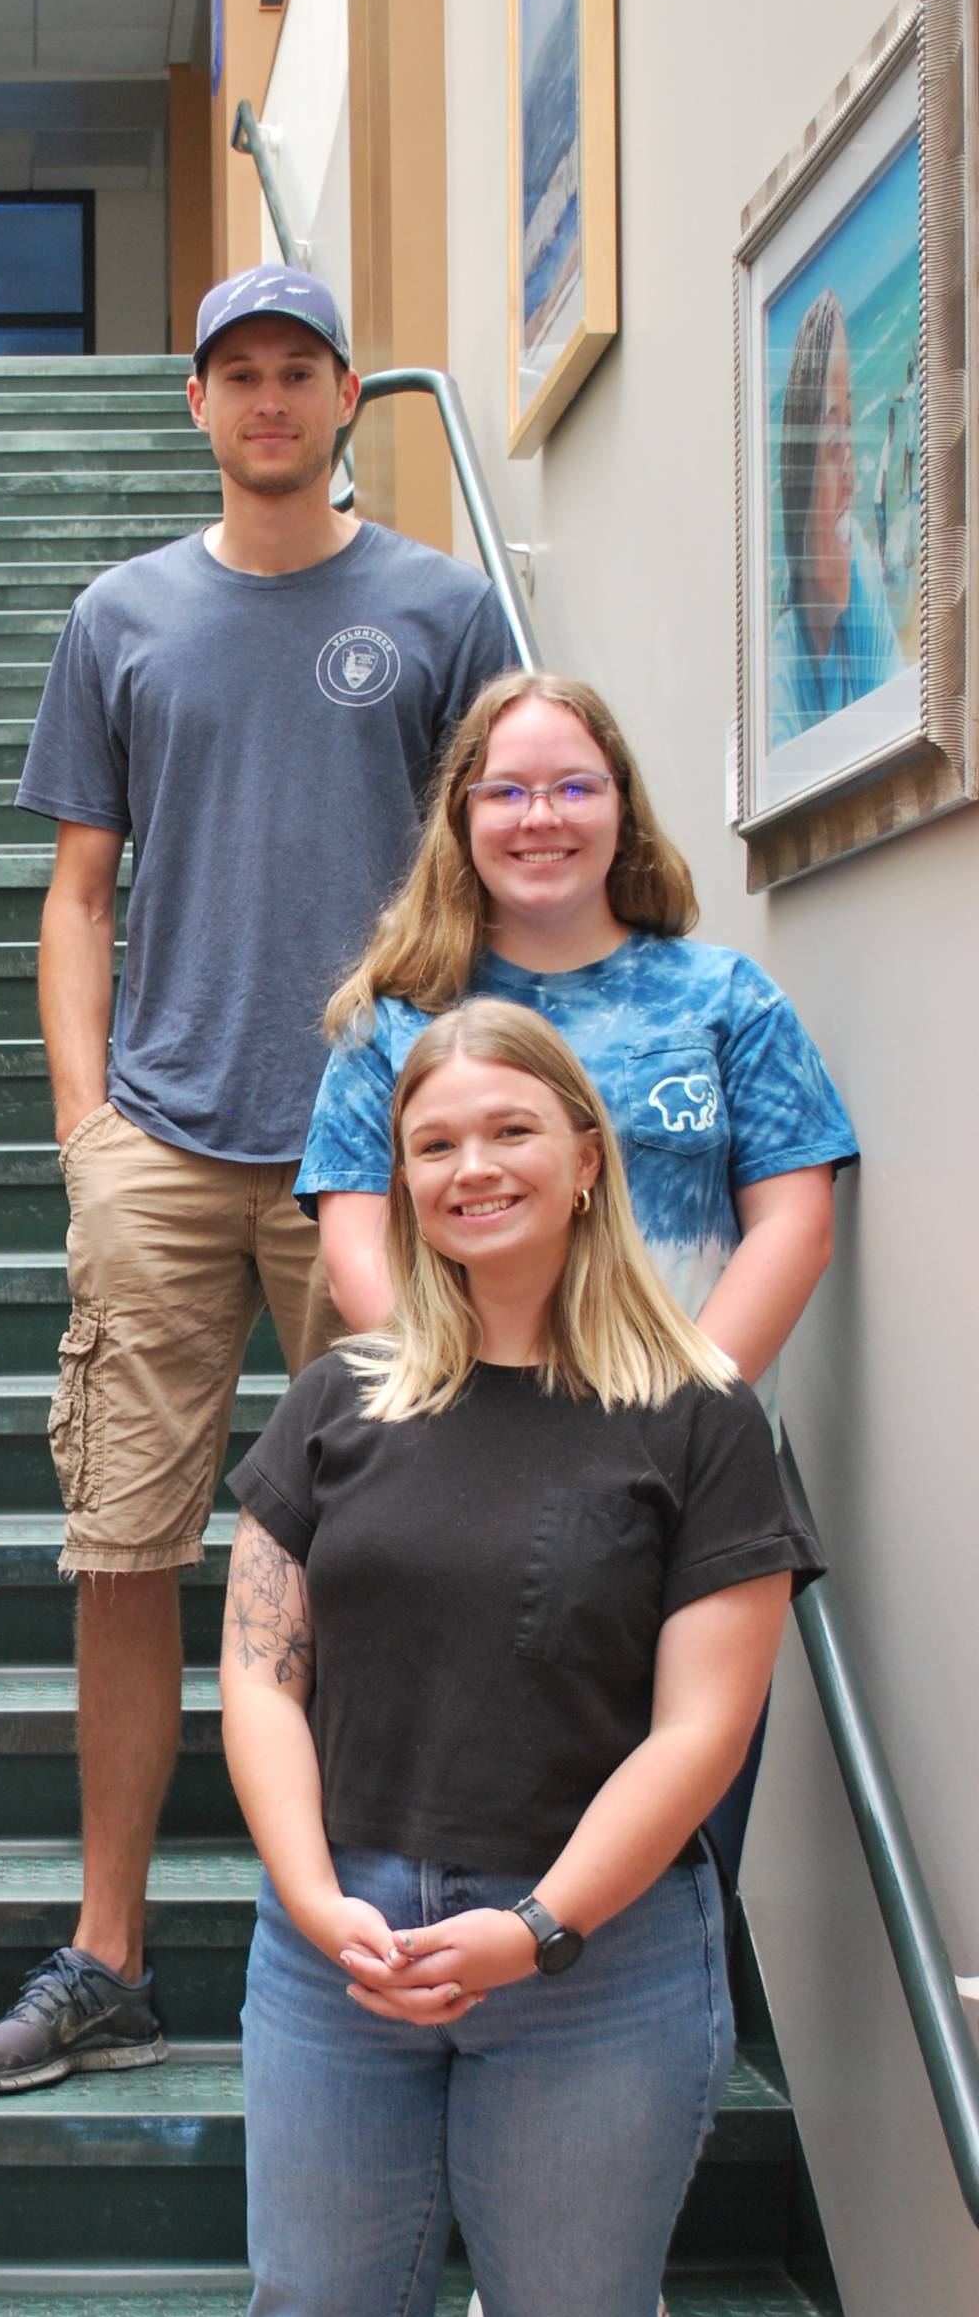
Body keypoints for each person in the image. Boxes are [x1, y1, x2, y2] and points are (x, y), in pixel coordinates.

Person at [192, 998, 819, 2317]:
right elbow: (256, 1671)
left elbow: (703, 1731)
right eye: (436, 1144)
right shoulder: (337, 1398)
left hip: (595, 1968)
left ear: (585, 1156)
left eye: (507, 1134)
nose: (471, 1169)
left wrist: (540, 1925)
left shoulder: (700, 1414)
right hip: (342, 1949)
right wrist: (315, 1898)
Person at [0, 264, 522, 2095]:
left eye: (299, 370)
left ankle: (384, 1920)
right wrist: (83, 1126)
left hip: (380, 1154)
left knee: (402, 1541)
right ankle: (112, 1954)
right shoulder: (126, 615)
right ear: (197, 404)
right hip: (169, 1143)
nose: (268, 400)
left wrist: (469, 1110)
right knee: (126, 1551)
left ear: (350, 396)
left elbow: (499, 872)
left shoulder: (442, 605)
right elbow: (78, 894)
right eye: (237, 374)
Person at [306, 666, 856, 1896]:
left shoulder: (722, 999)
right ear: (459, 818)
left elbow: (792, 1224)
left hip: (678, 1478)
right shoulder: (392, 1021)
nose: (537, 816)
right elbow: (355, 1244)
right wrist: (475, 1421)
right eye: (503, 790)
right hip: (451, 1468)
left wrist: (679, 1410)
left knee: (671, 1836)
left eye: (571, 785)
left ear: (620, 806)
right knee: (451, 1834)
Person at [769, 287, 902, 744]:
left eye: (849, 425)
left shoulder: (859, 567)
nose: (851, 470)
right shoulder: (780, 674)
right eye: (831, 440)